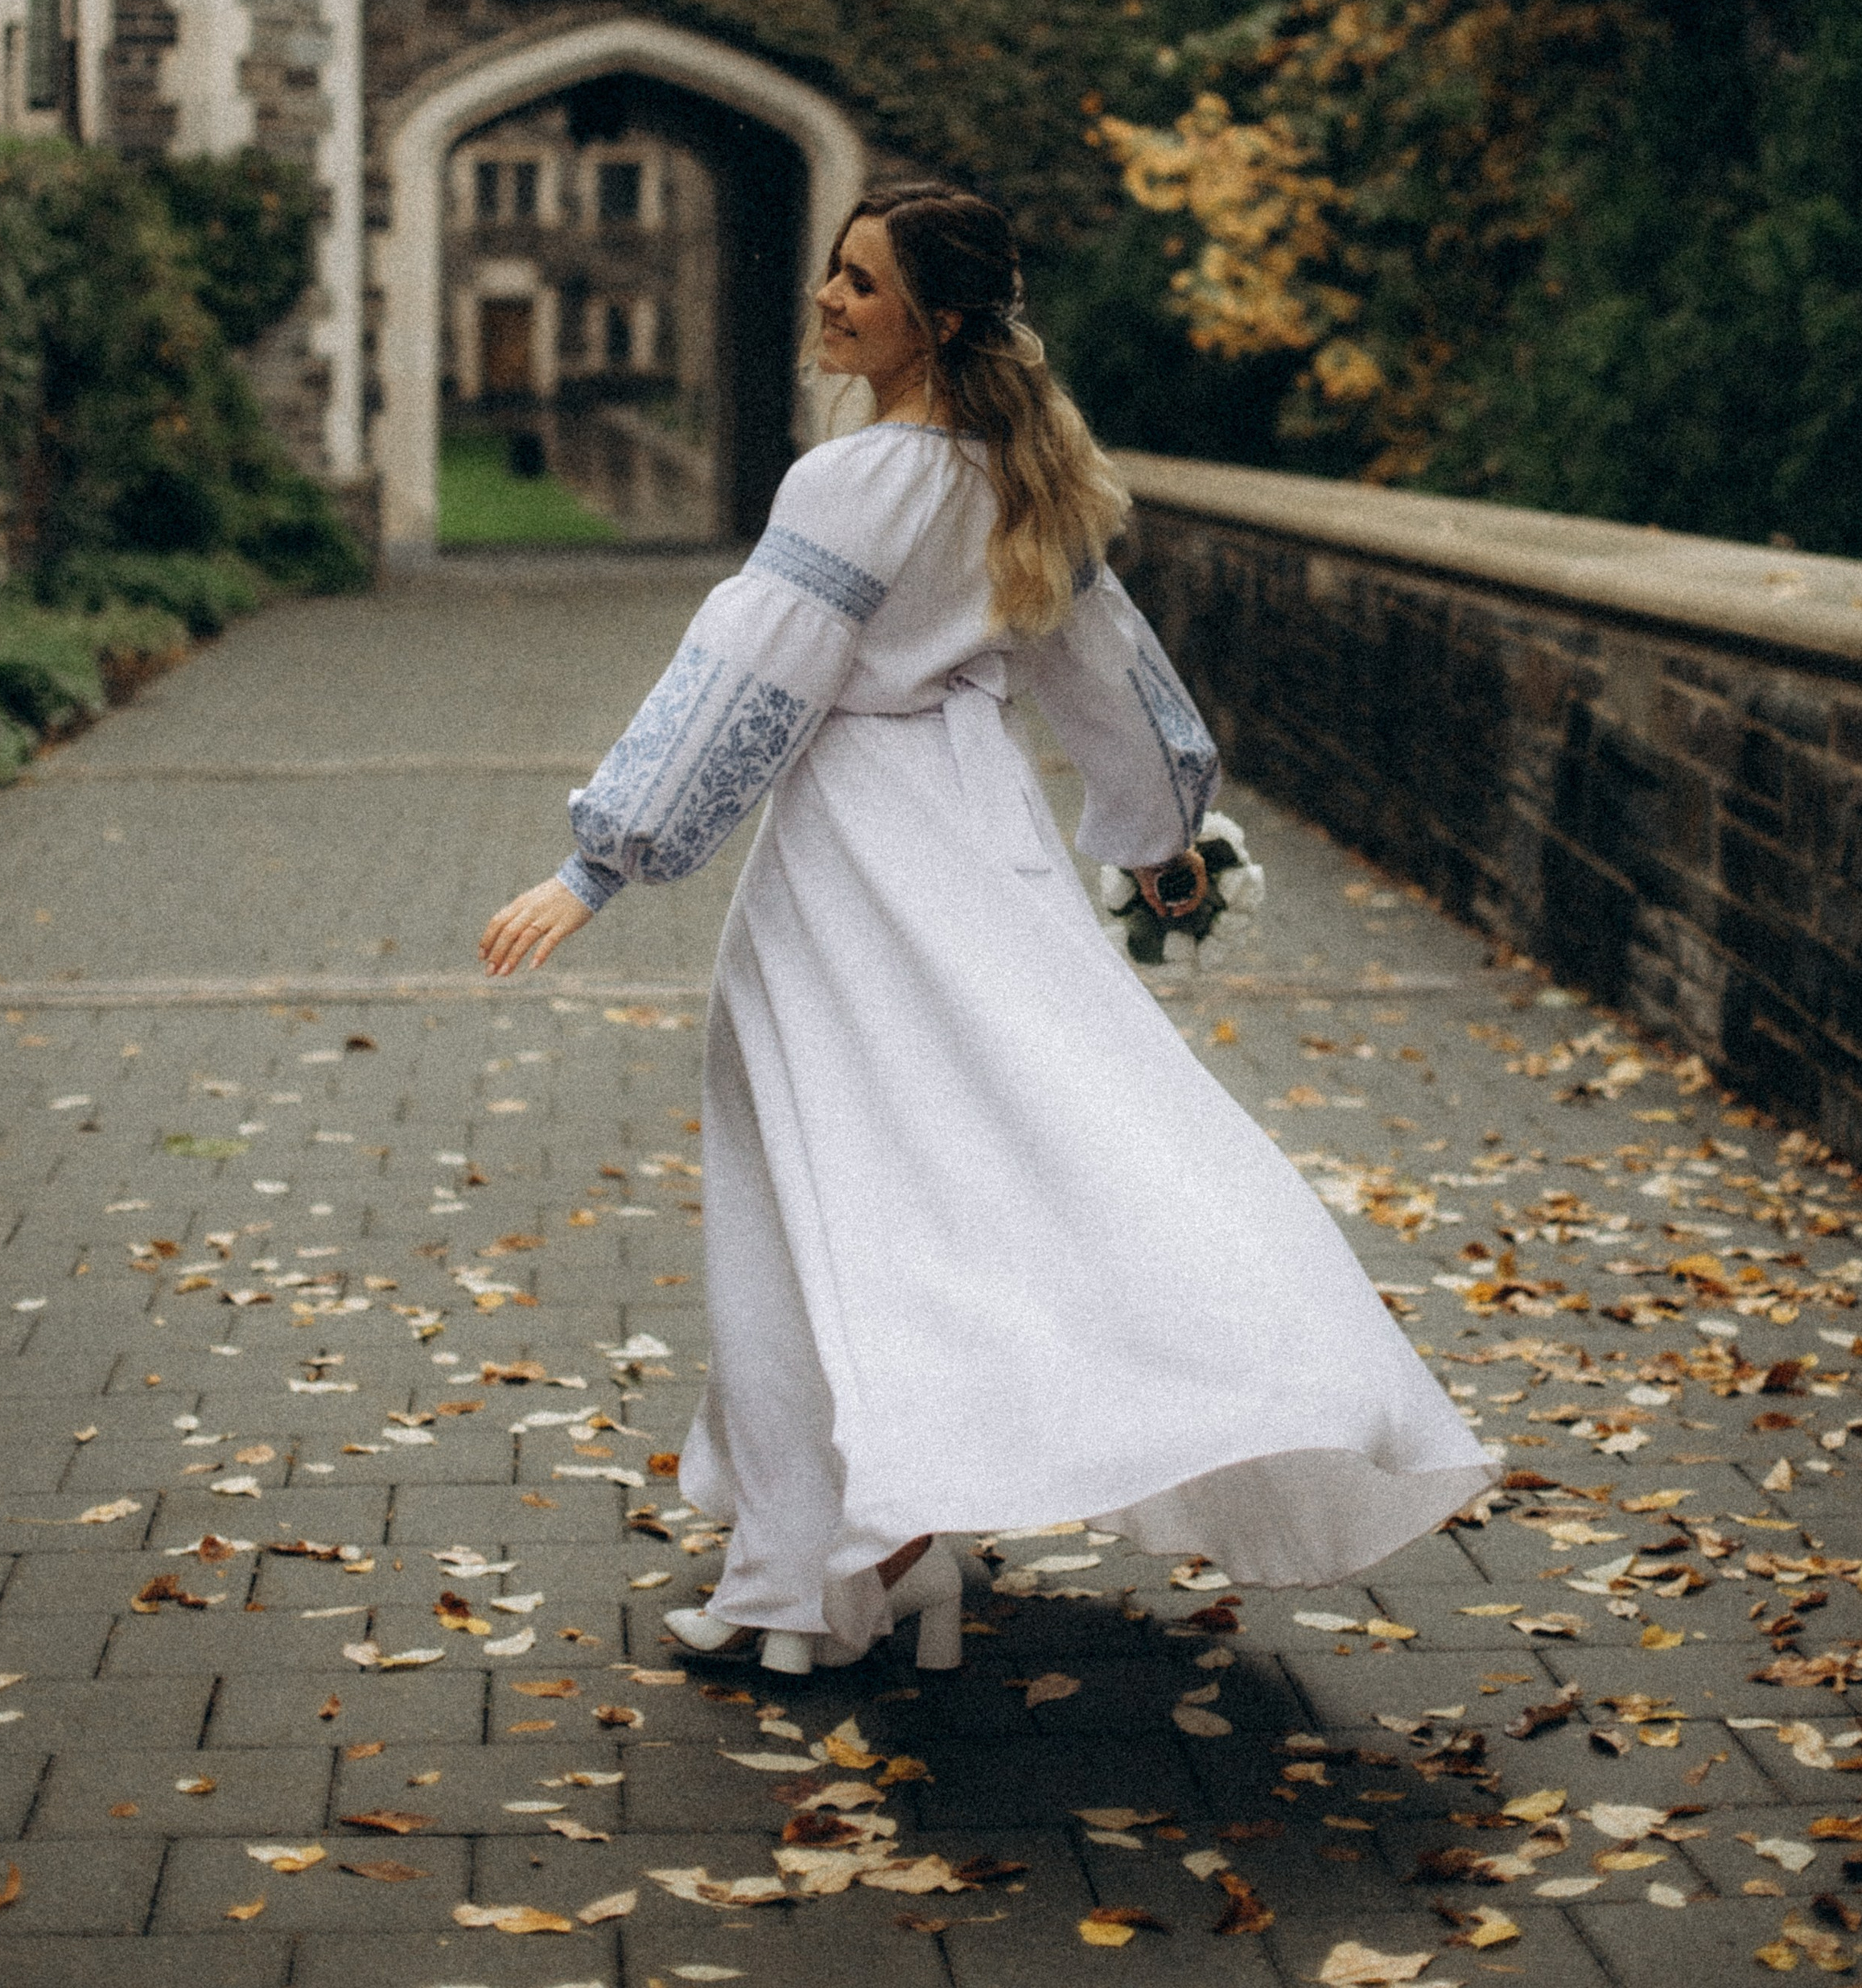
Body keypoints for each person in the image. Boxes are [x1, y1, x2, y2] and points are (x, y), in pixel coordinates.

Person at [480, 181, 1489, 1678]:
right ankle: (872, 1547)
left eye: (862, 285)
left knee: (800, 1192)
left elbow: (750, 683)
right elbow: (1118, 691)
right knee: (995, 1167)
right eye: (830, 271)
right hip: (984, 851)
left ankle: (819, 1575)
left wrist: (599, 866)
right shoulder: (1027, 477)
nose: (827, 299)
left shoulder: (851, 483)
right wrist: (1164, 853)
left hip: (854, 871)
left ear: (936, 321)